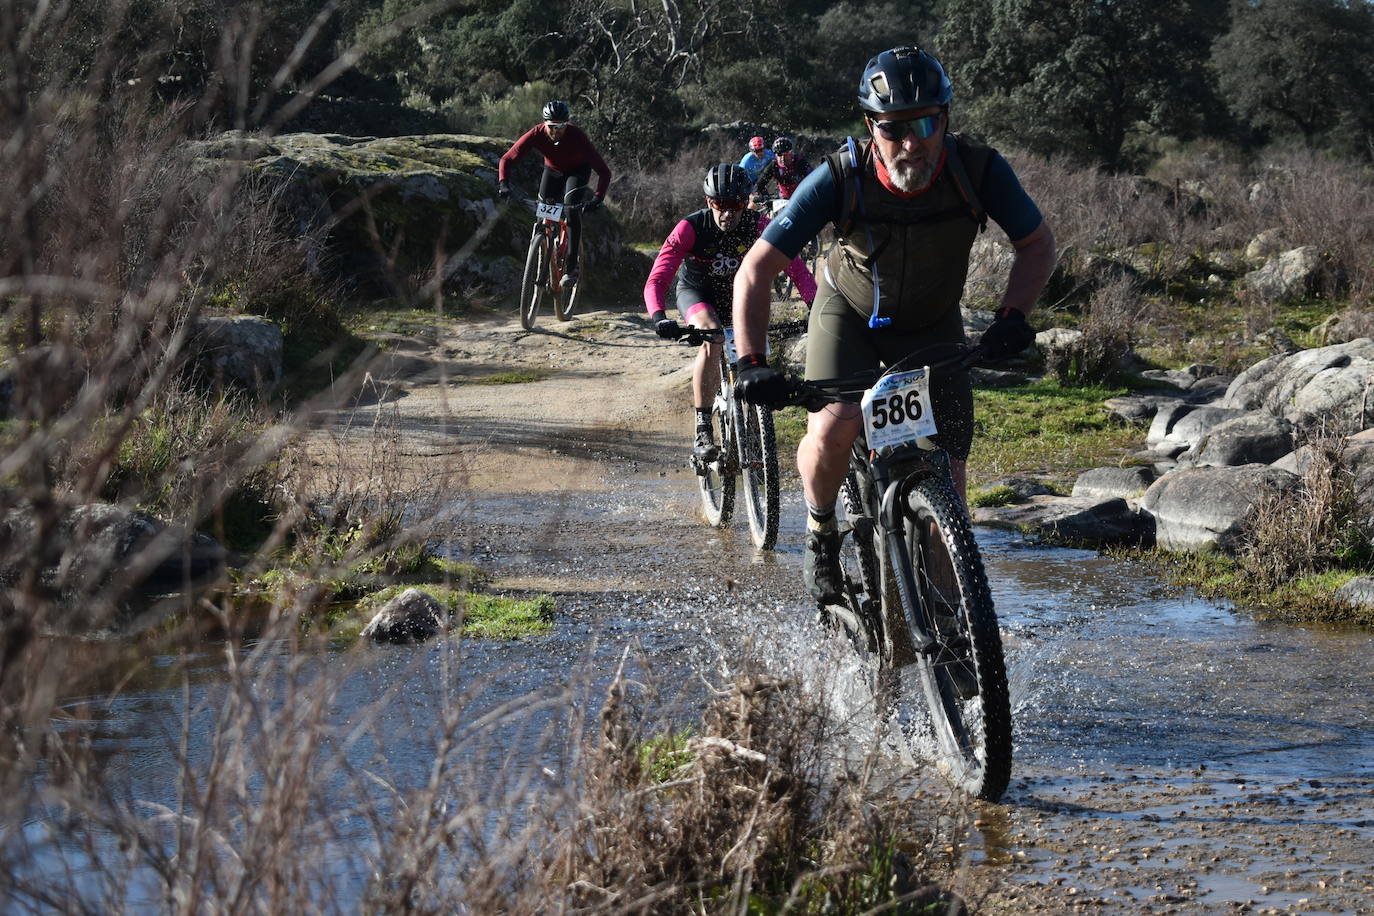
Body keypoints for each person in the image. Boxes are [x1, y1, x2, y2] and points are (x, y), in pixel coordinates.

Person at [730, 46, 1055, 604]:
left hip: (932, 326)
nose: (912, 142)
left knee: (948, 483)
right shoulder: (841, 176)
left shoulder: (977, 171)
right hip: (848, 314)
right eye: (895, 128)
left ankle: (955, 635)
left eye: (926, 123)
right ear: (870, 128)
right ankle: (821, 531)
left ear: (946, 120)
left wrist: (1012, 318)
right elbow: (756, 270)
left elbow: (1036, 244)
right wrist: (752, 362)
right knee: (834, 428)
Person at [646, 164, 818, 465]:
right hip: (698, 295)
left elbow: (797, 269)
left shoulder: (760, 225)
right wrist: (658, 315)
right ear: (708, 202)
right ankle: (702, 428)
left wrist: (815, 307)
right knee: (712, 336)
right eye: (719, 205)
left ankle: (755, 421)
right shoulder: (691, 228)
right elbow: (658, 278)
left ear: (745, 202)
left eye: (736, 205)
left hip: (739, 298)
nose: (727, 214)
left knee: (756, 348)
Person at [497, 100, 611, 285]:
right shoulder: (536, 133)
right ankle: (542, 244)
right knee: (544, 210)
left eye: (561, 127)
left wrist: (598, 198)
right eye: (551, 127)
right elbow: (507, 159)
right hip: (553, 172)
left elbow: (604, 172)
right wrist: (503, 183)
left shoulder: (576, 136)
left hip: (577, 171)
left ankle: (571, 268)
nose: (556, 131)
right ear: (544, 123)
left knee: (571, 210)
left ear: (567, 124)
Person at [753, 136, 813, 206]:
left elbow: (814, 179)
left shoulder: (800, 162)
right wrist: (757, 195)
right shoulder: (773, 165)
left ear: (791, 153)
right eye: (779, 154)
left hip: (802, 198)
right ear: (775, 155)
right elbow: (759, 184)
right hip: (783, 201)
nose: (782, 158)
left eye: (786, 154)